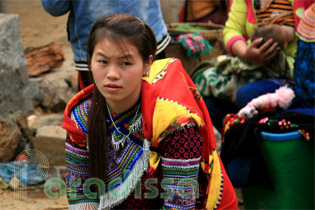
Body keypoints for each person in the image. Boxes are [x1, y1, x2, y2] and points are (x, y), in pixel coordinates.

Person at [62, 14, 238, 209]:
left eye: (125, 63)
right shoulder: (81, 116)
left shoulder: (174, 122)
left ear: (147, 64)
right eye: (102, 61)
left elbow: (179, 204)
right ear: (89, 61)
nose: (112, 74)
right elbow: (79, 192)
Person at [194, 0, 313, 131]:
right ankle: (240, 139)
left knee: (246, 94)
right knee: (209, 104)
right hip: (254, 66)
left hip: (294, 75)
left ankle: (268, 137)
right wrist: (246, 53)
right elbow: (232, 30)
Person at [41, 0, 171, 90]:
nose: (114, 75)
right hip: (149, 37)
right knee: (159, 110)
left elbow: (55, 7)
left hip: (97, 50)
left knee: (99, 117)